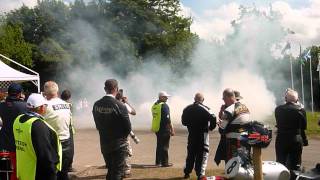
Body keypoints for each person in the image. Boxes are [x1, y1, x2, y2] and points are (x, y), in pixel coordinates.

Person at [13, 93, 61, 180]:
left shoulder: (18, 119)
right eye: (45, 105)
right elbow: (45, 154)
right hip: (37, 173)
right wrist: (52, 172)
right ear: (42, 107)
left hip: (24, 171)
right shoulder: (38, 125)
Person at [92, 79, 131, 180]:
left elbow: (97, 125)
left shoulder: (96, 104)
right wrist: (123, 139)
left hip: (104, 142)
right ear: (117, 89)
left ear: (105, 89)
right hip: (119, 144)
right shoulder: (120, 105)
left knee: (110, 169)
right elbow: (128, 127)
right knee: (117, 172)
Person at [181, 93, 216, 179]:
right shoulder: (206, 108)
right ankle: (200, 174)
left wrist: (191, 125)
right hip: (202, 135)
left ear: (194, 99)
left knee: (191, 153)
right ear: (203, 100)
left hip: (192, 134)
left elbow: (183, 122)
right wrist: (211, 128)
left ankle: (187, 172)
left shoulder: (187, 108)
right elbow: (213, 117)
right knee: (203, 154)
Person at [44, 81, 72, 180]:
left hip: (52, 144)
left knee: (52, 174)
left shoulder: (45, 106)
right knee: (63, 173)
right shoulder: (66, 105)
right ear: (57, 91)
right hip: (67, 143)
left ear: (45, 92)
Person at [275, 89, 308, 172]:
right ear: (297, 99)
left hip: (281, 138)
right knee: (295, 166)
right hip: (296, 139)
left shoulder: (278, 109)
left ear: (285, 99)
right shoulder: (301, 110)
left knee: (280, 164)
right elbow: (304, 126)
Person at [0, 83, 27, 180]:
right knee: (19, 169)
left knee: (10, 168)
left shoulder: (2, 105)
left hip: (5, 142)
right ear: (20, 94)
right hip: (21, 142)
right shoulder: (24, 106)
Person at [218, 88, 250, 162]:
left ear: (228, 97)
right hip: (245, 140)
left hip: (234, 142)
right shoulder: (245, 107)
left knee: (232, 165)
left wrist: (220, 124)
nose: (223, 100)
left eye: (223, 98)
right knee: (244, 164)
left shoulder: (229, 110)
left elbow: (221, 130)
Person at [115, 89, 136, 177]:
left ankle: (117, 170)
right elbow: (134, 112)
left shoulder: (112, 104)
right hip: (123, 132)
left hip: (113, 132)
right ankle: (126, 171)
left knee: (116, 151)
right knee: (126, 151)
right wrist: (127, 102)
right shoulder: (123, 105)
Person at [151, 91, 175, 167]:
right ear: (161, 97)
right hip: (164, 128)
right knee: (165, 146)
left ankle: (158, 162)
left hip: (157, 128)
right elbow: (167, 119)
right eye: (165, 97)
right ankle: (165, 163)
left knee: (159, 145)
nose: (167, 98)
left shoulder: (155, 105)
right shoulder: (164, 106)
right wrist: (171, 129)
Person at [60, 89, 76, 172]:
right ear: (69, 97)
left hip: (59, 128)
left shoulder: (58, 104)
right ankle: (68, 166)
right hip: (68, 128)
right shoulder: (69, 105)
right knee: (70, 149)